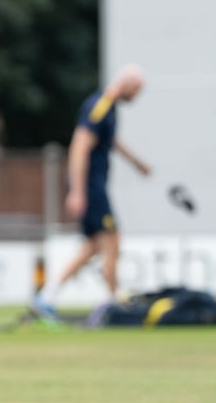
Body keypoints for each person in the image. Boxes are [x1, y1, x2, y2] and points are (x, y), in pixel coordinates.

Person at [34, 65, 151, 317]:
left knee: (93, 246)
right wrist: (77, 190)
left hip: (93, 185)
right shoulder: (100, 107)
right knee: (112, 238)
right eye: (137, 91)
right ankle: (113, 302)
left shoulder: (108, 107)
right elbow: (79, 146)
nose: (137, 96)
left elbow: (111, 141)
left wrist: (136, 163)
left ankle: (46, 297)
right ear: (128, 85)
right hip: (91, 186)